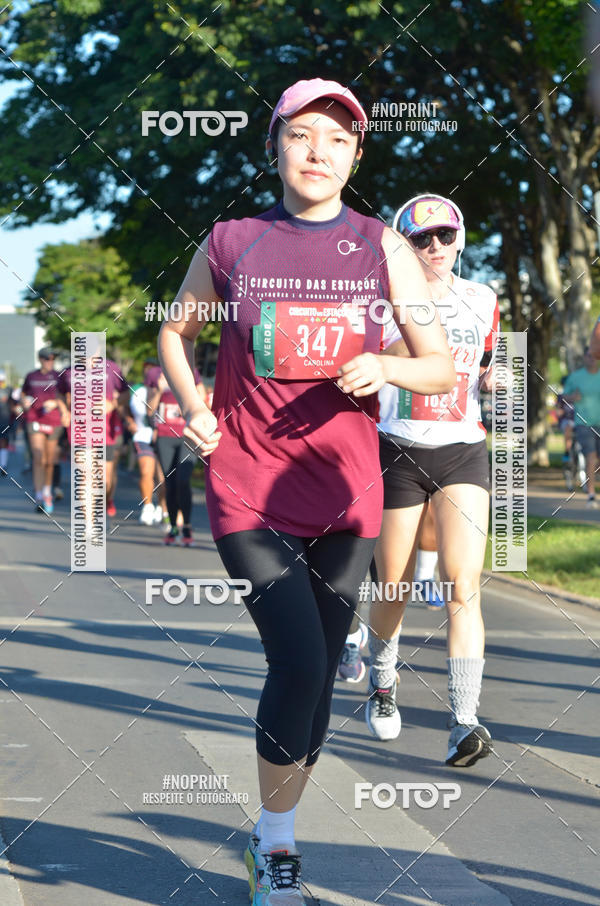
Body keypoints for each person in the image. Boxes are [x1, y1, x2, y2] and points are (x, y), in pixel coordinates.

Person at [158, 78, 455, 904]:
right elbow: (175, 331)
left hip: (346, 494)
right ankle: (281, 846)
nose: (318, 150)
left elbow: (438, 365)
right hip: (247, 486)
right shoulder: (230, 241)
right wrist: (193, 410)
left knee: (321, 672)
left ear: (357, 155)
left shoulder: (380, 244)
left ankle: (266, 831)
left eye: (337, 138)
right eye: (302, 135)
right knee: (295, 659)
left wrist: (387, 364)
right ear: (276, 147)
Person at [364, 194, 499, 769]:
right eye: (420, 239)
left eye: (444, 236)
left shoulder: (483, 299)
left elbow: (487, 362)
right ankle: (383, 678)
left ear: (461, 239)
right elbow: (362, 366)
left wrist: (495, 386)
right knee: (391, 586)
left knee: (461, 583)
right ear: (402, 245)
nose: (435, 248)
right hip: (397, 450)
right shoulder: (379, 301)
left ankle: (463, 722)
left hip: (464, 452)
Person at [147, 368, 206, 545]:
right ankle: (173, 526)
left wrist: (189, 395)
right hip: (165, 436)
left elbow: (204, 402)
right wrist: (159, 389)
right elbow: (149, 410)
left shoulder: (192, 371)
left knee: (183, 480)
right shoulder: (155, 374)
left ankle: (186, 525)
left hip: (187, 435)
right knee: (170, 482)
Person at [21, 348, 69, 513]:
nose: (50, 362)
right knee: (38, 457)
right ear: (40, 359)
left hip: (54, 420)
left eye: (52, 359)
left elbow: (66, 396)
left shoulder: (60, 376)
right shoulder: (31, 376)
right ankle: (39, 494)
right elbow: (23, 393)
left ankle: (48, 489)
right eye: (47, 359)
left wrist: (56, 404)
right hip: (35, 419)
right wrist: (24, 402)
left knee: (49, 460)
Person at [126, 358, 167, 525]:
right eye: (146, 367)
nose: (148, 370)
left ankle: (163, 508)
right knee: (145, 471)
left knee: (163, 476)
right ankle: (148, 505)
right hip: (142, 435)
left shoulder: (168, 388)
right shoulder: (136, 389)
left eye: (153, 368)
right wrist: (129, 421)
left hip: (163, 436)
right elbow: (124, 406)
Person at [562, 347, 600, 508]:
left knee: (596, 460)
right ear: (584, 358)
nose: (592, 359)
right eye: (588, 356)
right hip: (583, 423)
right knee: (591, 457)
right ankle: (591, 494)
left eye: (594, 356)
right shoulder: (576, 377)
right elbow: (563, 397)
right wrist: (572, 397)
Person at [0, 371, 15, 476]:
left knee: (3, 442)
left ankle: (3, 465)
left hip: (4, 420)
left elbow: (13, 404)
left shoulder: (9, 389)